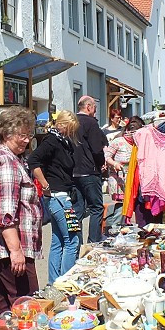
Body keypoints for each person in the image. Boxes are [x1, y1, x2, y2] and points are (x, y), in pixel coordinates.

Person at [0, 106, 43, 322]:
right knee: (27, 303)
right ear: (7, 134)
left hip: (11, 246)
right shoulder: (5, 160)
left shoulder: (11, 157)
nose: (26, 140)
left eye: (29, 135)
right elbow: (6, 212)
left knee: (6, 302)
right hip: (12, 246)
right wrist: (16, 251)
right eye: (22, 135)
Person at [28, 110, 81, 284]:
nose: (72, 132)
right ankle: (66, 282)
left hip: (60, 196)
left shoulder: (62, 141)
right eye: (70, 128)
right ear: (62, 125)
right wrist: (45, 185)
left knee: (58, 240)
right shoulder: (52, 141)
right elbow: (33, 161)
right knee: (72, 240)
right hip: (58, 197)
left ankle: (54, 281)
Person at [72, 95, 108, 243]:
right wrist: (101, 163)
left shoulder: (72, 123)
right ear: (88, 107)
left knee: (76, 211)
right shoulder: (91, 123)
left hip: (73, 172)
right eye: (94, 108)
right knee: (96, 208)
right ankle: (93, 243)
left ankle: (74, 243)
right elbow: (96, 149)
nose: (95, 111)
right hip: (89, 171)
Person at [104, 115, 143, 206]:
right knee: (120, 208)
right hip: (119, 179)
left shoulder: (140, 143)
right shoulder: (118, 141)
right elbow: (107, 156)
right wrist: (115, 164)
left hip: (135, 179)